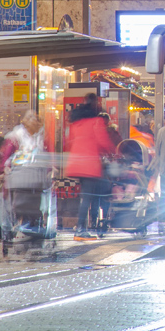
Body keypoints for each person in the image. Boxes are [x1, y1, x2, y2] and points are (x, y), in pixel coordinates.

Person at [64, 94, 116, 240]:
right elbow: (103, 142)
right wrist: (112, 152)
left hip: (76, 163)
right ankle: (81, 230)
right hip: (89, 165)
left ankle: (83, 227)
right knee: (93, 195)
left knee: (85, 197)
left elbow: (69, 142)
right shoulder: (96, 121)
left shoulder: (76, 123)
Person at [1, 110, 49, 239]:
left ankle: (31, 226)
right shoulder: (16, 136)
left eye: (36, 119)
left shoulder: (41, 136)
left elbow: (45, 154)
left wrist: (51, 169)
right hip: (20, 176)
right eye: (31, 118)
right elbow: (6, 155)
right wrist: (5, 167)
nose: (35, 121)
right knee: (21, 202)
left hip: (36, 176)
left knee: (35, 202)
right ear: (26, 122)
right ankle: (22, 226)